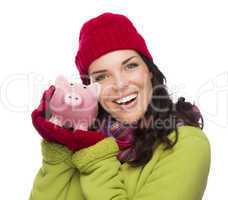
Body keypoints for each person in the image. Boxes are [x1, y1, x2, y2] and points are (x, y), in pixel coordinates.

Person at [29, 12, 211, 200]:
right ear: (90, 90)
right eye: (102, 76)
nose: (120, 84)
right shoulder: (79, 141)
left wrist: (96, 156)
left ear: (148, 70)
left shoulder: (186, 142)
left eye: (130, 66)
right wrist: (59, 146)